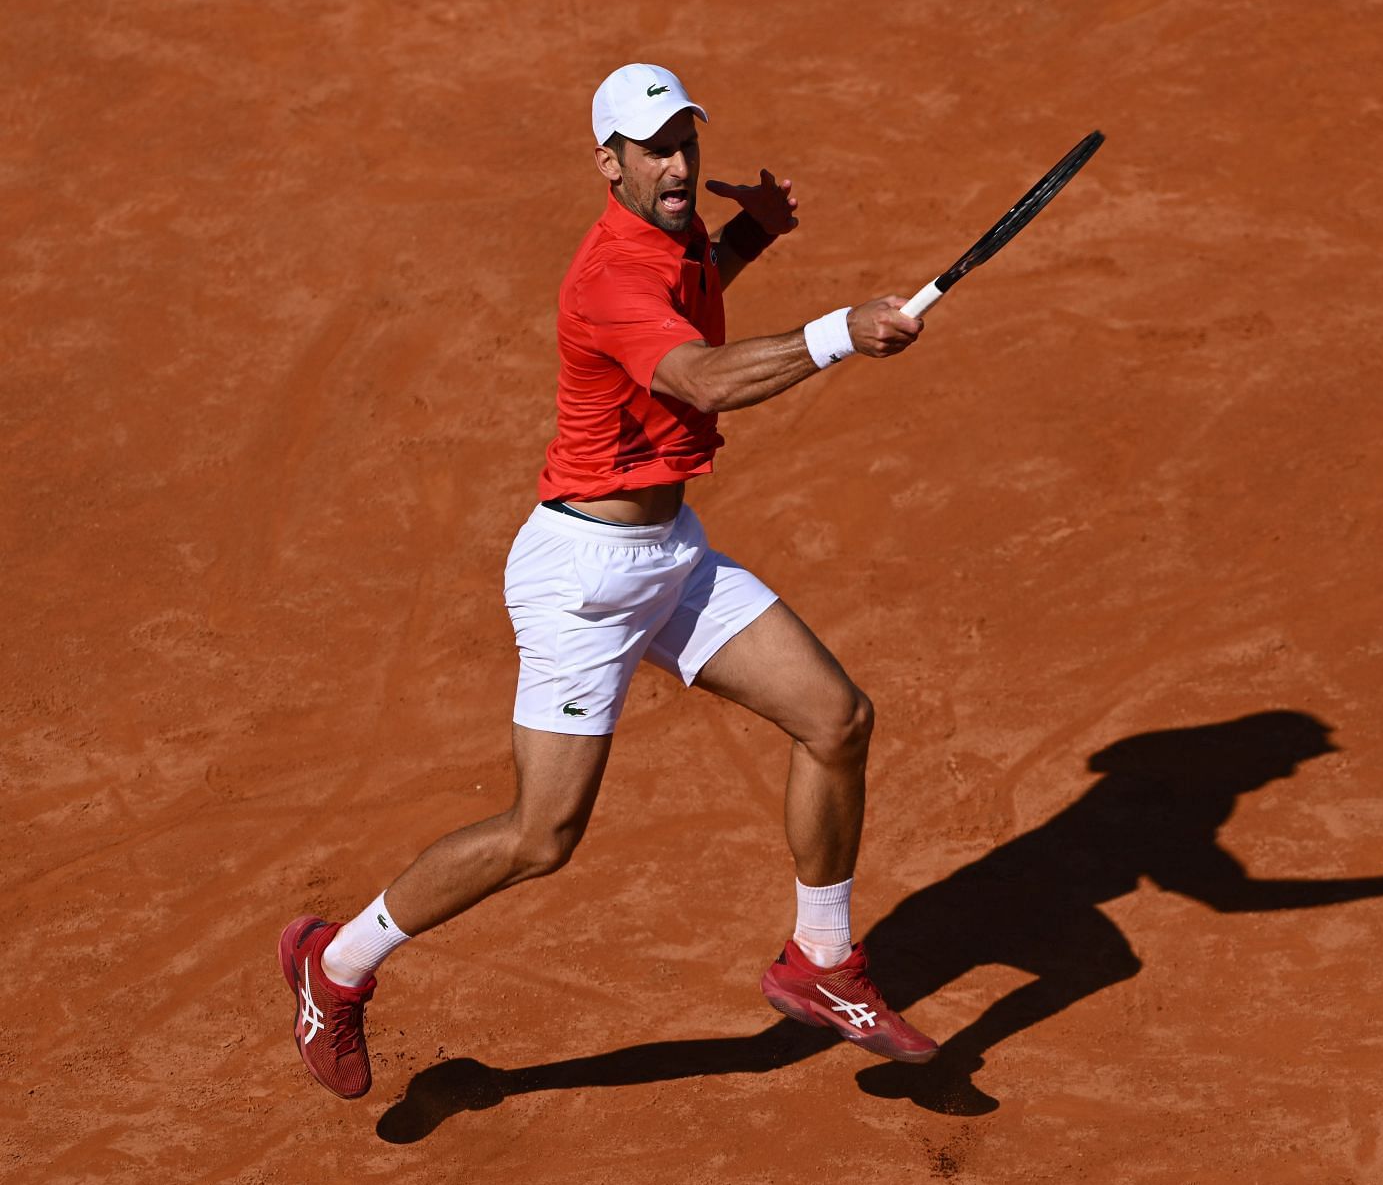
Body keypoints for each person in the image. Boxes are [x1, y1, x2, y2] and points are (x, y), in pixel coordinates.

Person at [278, 62, 936, 1100]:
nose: (678, 165)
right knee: (542, 835)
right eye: (654, 149)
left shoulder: (671, 239)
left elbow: (695, 286)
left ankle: (822, 960)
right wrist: (839, 333)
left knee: (836, 717)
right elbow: (704, 377)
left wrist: (750, 238)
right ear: (608, 163)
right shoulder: (608, 277)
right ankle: (335, 960)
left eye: (687, 142)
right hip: (583, 578)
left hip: (670, 556)